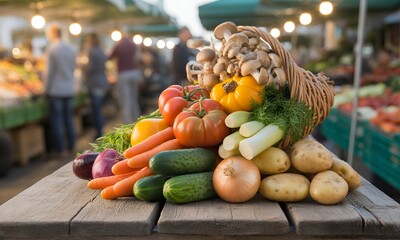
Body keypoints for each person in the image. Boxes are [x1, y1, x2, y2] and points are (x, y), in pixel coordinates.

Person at [44, 23, 77, 157]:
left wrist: (45, 89)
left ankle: (60, 149)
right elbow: (74, 68)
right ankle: (71, 146)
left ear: (52, 34)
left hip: (56, 90)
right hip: (69, 88)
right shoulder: (71, 48)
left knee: (57, 120)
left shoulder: (52, 49)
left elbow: (49, 73)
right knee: (68, 118)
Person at [109, 34, 142, 124]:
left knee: (125, 100)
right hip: (134, 73)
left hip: (123, 74)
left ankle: (128, 124)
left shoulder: (118, 46)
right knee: (134, 99)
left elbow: (110, 57)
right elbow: (139, 59)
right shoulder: (133, 45)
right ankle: (138, 121)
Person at [84, 33, 109, 139]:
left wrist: (83, 68)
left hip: (95, 83)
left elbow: (91, 68)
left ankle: (99, 133)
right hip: (103, 82)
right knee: (99, 109)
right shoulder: (101, 51)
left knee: (96, 110)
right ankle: (100, 130)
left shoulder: (91, 51)